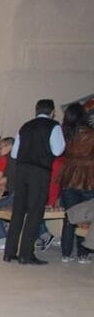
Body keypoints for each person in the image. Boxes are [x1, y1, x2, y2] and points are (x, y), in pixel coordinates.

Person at [3, 99, 65, 265]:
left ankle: (9, 252)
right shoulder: (54, 126)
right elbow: (59, 150)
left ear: (36, 111)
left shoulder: (25, 126)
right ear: (52, 112)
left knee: (18, 212)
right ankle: (26, 254)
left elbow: (14, 154)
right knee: (35, 212)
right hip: (39, 172)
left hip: (21, 172)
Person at [57, 107, 94, 264]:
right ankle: (82, 253)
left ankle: (66, 253)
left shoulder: (65, 134)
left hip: (68, 177)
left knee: (70, 216)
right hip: (88, 178)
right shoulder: (91, 134)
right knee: (85, 216)